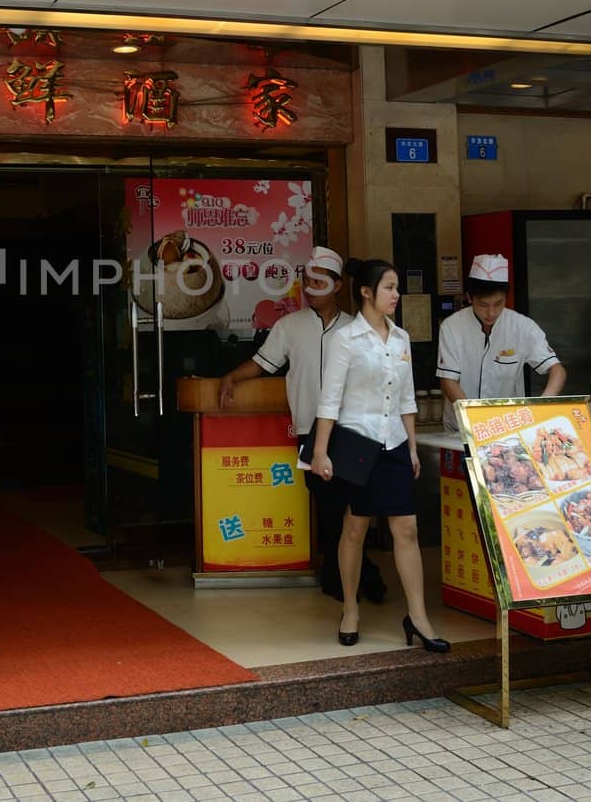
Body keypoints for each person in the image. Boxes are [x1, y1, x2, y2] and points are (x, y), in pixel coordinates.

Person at [218, 245, 387, 604]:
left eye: (318, 282)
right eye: (307, 281)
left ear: (337, 286)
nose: (310, 288)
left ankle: (354, 575)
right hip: (312, 431)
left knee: (353, 509)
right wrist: (233, 375)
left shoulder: (357, 329)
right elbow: (264, 363)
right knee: (327, 507)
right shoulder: (289, 326)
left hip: (354, 432)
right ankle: (345, 577)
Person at [311, 259, 449, 654]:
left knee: (406, 528)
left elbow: (406, 398)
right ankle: (350, 609)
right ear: (367, 292)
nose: (396, 295)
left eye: (397, 288)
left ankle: (419, 617)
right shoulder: (346, 339)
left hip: (393, 445)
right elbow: (330, 398)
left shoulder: (401, 338)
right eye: (389, 287)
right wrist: (321, 451)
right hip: (358, 445)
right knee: (354, 527)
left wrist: (411, 445)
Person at [436, 255, 566, 431]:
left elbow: (557, 370)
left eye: (498, 304)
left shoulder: (522, 326)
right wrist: (473, 419)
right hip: (462, 426)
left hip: (508, 425)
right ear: (469, 298)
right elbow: (448, 382)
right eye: (483, 305)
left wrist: (542, 404)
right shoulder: (452, 326)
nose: (491, 312)